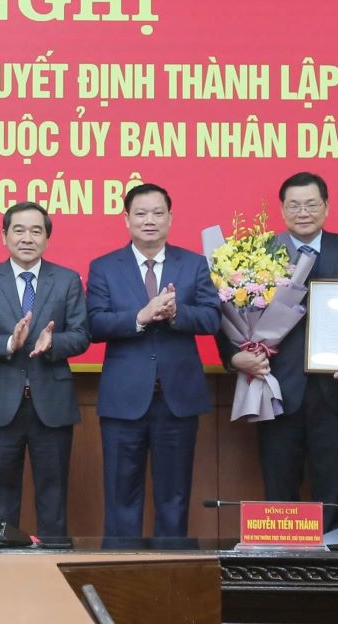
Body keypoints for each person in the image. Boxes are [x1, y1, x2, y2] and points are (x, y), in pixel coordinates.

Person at [216, 171, 338, 531]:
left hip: (336, 389)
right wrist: (234, 357)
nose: (303, 212)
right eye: (295, 205)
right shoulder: (258, 253)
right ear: (283, 209)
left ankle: (332, 554)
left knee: (333, 490)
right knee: (279, 488)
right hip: (275, 386)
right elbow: (225, 310)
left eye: (311, 204)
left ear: (326, 207)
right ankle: (283, 556)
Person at [87, 182, 221, 538]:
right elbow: (94, 324)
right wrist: (140, 317)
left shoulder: (194, 264)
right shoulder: (104, 267)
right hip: (123, 401)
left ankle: (171, 567)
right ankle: (118, 567)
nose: (149, 220)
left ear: (170, 218)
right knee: (121, 498)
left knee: (174, 497)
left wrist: (177, 314)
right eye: (141, 213)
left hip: (177, 400)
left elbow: (212, 318)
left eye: (158, 213)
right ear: (126, 218)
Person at [0, 202, 89, 538]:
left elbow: (81, 335)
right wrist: (7, 343)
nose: (27, 238)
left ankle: (54, 561)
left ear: (47, 238)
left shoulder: (67, 280)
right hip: (0, 405)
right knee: (1, 500)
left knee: (53, 496)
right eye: (18, 230)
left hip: (52, 404)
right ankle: (2, 562)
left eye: (35, 231)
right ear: (4, 236)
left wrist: (54, 342)